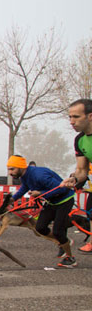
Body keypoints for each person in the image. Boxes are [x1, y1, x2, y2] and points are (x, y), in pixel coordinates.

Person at [6, 155, 77, 268]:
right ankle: (63, 241)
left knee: (58, 231)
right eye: (9, 169)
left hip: (65, 200)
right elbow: (24, 188)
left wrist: (40, 193)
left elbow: (62, 188)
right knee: (40, 227)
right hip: (52, 202)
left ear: (20, 167)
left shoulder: (39, 175)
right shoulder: (25, 175)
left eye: (12, 169)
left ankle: (70, 258)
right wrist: (11, 200)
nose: (10, 172)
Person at [63, 98, 92, 254]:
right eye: (70, 117)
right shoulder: (80, 140)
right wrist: (74, 179)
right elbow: (82, 170)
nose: (72, 121)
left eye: (76, 117)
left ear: (90, 116)